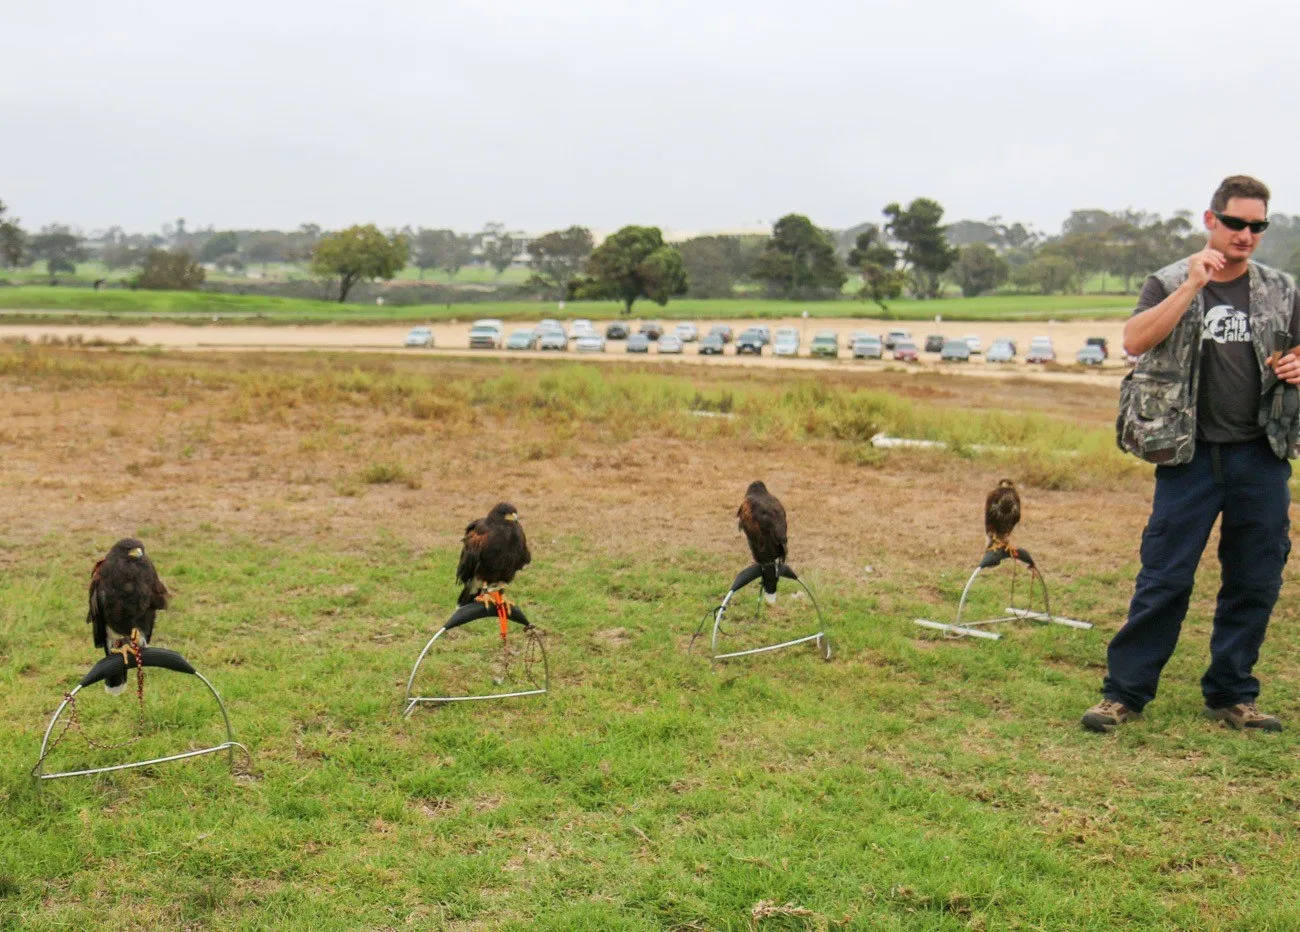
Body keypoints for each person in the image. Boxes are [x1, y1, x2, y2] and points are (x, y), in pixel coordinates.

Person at [1084, 175, 1300, 733]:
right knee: (1165, 578)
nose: (1246, 235)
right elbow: (1134, 341)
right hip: (1189, 456)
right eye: (1236, 223)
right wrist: (1191, 289)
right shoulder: (1170, 280)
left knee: (1255, 579)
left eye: (1258, 226)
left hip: (1261, 454)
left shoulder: (1281, 289)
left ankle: (1232, 694)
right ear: (1211, 220)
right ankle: (1123, 694)